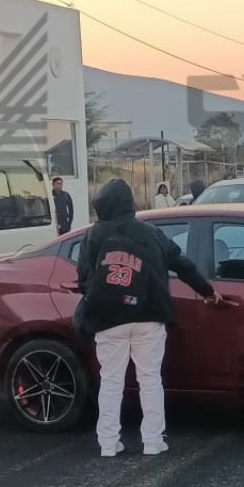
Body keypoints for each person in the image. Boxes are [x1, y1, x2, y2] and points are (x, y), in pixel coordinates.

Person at [76, 179, 219, 458]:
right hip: (149, 315)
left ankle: (108, 443)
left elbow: (83, 277)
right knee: (150, 378)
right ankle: (153, 441)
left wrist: (100, 295)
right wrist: (208, 291)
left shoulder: (94, 235)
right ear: (129, 203)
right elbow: (183, 265)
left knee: (111, 380)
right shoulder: (151, 233)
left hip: (107, 318)